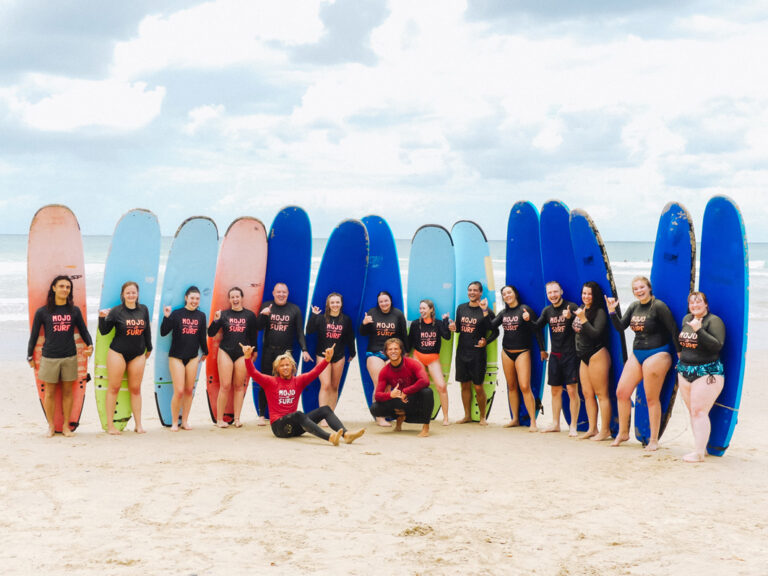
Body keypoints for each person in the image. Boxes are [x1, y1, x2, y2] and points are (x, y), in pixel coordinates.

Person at [606, 275, 680, 451]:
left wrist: (680, 355)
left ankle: (653, 439)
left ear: (649, 288)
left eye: (641, 287)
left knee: (650, 398)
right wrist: (612, 311)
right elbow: (620, 327)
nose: (639, 291)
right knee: (621, 392)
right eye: (635, 289)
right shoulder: (634, 307)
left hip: (658, 354)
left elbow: (673, 330)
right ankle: (623, 433)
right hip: (638, 353)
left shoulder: (659, 306)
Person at [242, 343, 365, 446]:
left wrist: (327, 360)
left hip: (295, 426)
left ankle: (346, 434)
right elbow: (253, 373)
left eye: (287, 365)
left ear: (292, 367)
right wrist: (247, 358)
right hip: (279, 427)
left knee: (325, 409)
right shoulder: (270, 382)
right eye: (282, 366)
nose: (285, 368)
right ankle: (329, 437)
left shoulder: (298, 381)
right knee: (299, 414)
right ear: (277, 369)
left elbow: (315, 372)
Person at [27, 275, 93, 437]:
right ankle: (50, 426)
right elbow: (34, 335)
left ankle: (65, 426)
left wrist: (90, 344)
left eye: (68, 287)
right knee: (49, 392)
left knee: (68, 392)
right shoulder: (43, 312)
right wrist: (29, 356)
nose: (65, 289)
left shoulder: (74, 311)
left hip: (69, 356)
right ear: (54, 288)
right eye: (62, 286)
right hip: (49, 357)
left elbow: (83, 330)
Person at [676, 291, 726, 463]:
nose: (695, 306)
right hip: (685, 371)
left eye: (698, 302)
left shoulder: (714, 321)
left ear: (706, 304)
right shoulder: (686, 319)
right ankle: (700, 447)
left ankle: (698, 453)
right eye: (691, 303)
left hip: (707, 371)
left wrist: (699, 330)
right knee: (693, 412)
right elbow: (683, 343)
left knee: (699, 411)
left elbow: (717, 345)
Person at [254, 282, 312, 425]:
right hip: (269, 351)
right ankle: (262, 415)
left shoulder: (294, 310)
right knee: (265, 382)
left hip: (286, 353)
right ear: (273, 293)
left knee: (287, 384)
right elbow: (258, 327)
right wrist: (263, 315)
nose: (281, 295)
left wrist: (304, 350)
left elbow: (299, 332)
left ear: (287, 293)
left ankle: (287, 413)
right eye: (278, 292)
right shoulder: (267, 306)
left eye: (284, 292)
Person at [99, 281, 152, 435]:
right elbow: (104, 331)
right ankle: (110, 426)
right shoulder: (116, 311)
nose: (131, 295)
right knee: (114, 387)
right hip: (118, 352)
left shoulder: (143, 309)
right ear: (123, 294)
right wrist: (102, 318)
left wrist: (149, 347)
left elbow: (146, 330)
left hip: (138, 353)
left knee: (135, 389)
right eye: (128, 293)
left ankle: (138, 425)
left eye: (133, 292)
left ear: (137, 294)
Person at [489, 285, 544, 431]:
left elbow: (536, 329)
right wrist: (485, 310)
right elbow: (491, 325)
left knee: (524, 386)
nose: (507, 295)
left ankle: (533, 421)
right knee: (511, 386)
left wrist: (543, 349)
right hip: (506, 352)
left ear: (515, 294)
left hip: (522, 352)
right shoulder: (503, 313)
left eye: (509, 292)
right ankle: (515, 419)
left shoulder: (524, 309)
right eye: (504, 294)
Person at [207, 286, 259, 428]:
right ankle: (219, 420)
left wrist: (255, 352)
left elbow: (253, 336)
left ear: (242, 298)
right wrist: (216, 320)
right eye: (232, 297)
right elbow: (211, 333)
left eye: (237, 296)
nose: (235, 299)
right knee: (225, 386)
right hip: (225, 351)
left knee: (238, 386)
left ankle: (237, 418)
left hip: (242, 353)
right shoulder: (223, 315)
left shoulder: (249, 315)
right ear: (229, 299)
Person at [534, 281, 581, 436]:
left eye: (555, 291)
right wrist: (542, 349)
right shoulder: (547, 311)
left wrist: (569, 319)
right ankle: (555, 423)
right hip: (555, 355)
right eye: (549, 293)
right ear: (547, 294)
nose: (553, 295)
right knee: (555, 391)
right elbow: (537, 328)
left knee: (572, 391)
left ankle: (573, 425)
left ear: (561, 291)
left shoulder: (572, 307)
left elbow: (582, 327)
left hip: (571, 355)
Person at [449, 281, 498, 426]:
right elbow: (459, 329)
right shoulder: (461, 308)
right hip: (462, 352)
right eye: (470, 290)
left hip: (477, 354)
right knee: (464, 385)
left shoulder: (487, 311)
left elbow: (495, 331)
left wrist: (486, 342)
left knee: (478, 386)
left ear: (481, 293)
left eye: (475, 290)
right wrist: (453, 327)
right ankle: (467, 415)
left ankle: (482, 417)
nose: (472, 292)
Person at [160, 286, 208, 431]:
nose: (194, 301)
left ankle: (185, 421)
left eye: (197, 299)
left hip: (193, 357)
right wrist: (166, 316)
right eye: (192, 298)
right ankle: (175, 422)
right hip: (176, 357)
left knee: (189, 391)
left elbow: (201, 337)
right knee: (179, 391)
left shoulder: (201, 316)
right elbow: (163, 332)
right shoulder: (177, 314)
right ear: (186, 298)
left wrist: (205, 351)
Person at [360, 290, 408, 426]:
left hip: (392, 353)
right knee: (380, 384)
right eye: (381, 301)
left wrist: (406, 352)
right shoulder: (372, 313)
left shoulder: (397, 314)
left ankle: (386, 412)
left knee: (389, 386)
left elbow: (403, 335)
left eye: (386, 300)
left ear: (390, 301)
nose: (384, 303)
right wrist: (364, 323)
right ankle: (379, 417)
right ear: (378, 303)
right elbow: (362, 333)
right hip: (374, 353)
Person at [371, 338, 434, 437]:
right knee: (375, 408)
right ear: (386, 352)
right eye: (390, 349)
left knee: (427, 392)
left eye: (396, 349)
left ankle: (425, 427)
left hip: (414, 398)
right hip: (399, 398)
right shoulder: (384, 371)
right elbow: (378, 395)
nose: (393, 351)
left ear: (401, 350)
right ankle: (400, 415)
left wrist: (406, 391)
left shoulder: (412, 363)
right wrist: (390, 395)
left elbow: (425, 381)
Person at [572, 281, 612, 441]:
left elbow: (596, 334)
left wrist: (583, 319)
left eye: (589, 294)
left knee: (601, 394)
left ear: (594, 296)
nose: (586, 296)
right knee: (587, 394)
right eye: (584, 293)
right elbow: (578, 331)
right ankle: (592, 428)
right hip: (583, 357)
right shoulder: (582, 308)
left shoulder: (600, 311)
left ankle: (605, 430)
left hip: (597, 354)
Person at [306, 292, 356, 413]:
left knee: (334, 386)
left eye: (337, 302)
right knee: (326, 385)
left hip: (339, 356)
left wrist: (353, 353)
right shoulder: (321, 318)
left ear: (341, 304)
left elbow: (350, 337)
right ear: (328, 304)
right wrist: (313, 315)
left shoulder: (346, 320)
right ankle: (323, 414)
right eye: (332, 302)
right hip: (322, 356)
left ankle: (331, 415)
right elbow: (309, 330)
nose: (335, 305)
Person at [407, 299, 452, 426]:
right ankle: (416, 414)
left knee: (442, 386)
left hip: (433, 358)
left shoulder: (437, 323)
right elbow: (410, 341)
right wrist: (404, 354)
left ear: (431, 309)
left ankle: (446, 417)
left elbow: (447, 336)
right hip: (418, 357)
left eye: (424, 308)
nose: (422, 311)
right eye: (420, 308)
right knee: (418, 386)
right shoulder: (416, 324)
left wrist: (445, 321)